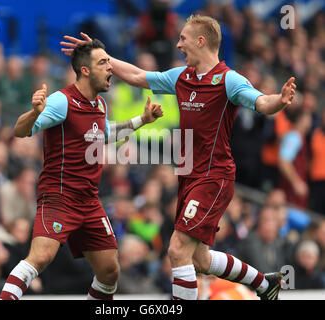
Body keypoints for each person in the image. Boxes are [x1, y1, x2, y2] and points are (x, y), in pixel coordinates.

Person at [60, 15, 296, 300]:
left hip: (214, 176)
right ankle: (264, 284)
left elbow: (260, 102)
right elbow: (138, 76)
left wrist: (279, 101)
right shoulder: (180, 77)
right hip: (189, 176)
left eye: (183, 39)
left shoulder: (228, 80)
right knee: (199, 260)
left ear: (201, 41)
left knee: (177, 249)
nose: (178, 44)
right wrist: (104, 57)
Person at [0, 39, 163, 300]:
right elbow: (19, 131)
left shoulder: (99, 105)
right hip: (59, 196)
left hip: (88, 200)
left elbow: (105, 133)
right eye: (103, 63)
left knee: (110, 271)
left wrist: (142, 120)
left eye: (109, 62)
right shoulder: (62, 101)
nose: (110, 69)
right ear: (85, 70)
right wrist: (34, 112)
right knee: (41, 257)